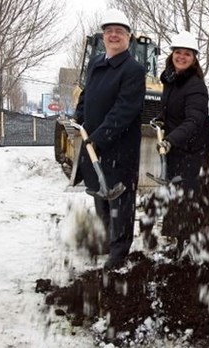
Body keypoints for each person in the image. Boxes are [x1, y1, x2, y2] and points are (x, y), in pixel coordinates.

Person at [73, 9, 146, 269]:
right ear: (103, 36)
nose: (113, 35)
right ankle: (104, 240)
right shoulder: (96, 63)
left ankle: (119, 251)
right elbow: (86, 95)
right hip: (94, 144)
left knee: (120, 200)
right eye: (109, 31)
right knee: (100, 195)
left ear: (128, 38)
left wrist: (98, 137)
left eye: (119, 32)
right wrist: (79, 117)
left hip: (119, 148)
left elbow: (125, 109)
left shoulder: (134, 69)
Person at [157, 31, 209, 246]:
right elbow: (173, 111)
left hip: (194, 152)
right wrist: (161, 119)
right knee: (176, 198)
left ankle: (191, 248)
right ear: (172, 54)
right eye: (178, 52)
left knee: (190, 200)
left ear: (194, 59)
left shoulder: (195, 85)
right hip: (178, 148)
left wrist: (171, 139)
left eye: (187, 54)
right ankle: (177, 245)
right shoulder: (171, 81)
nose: (181, 57)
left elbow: (194, 120)